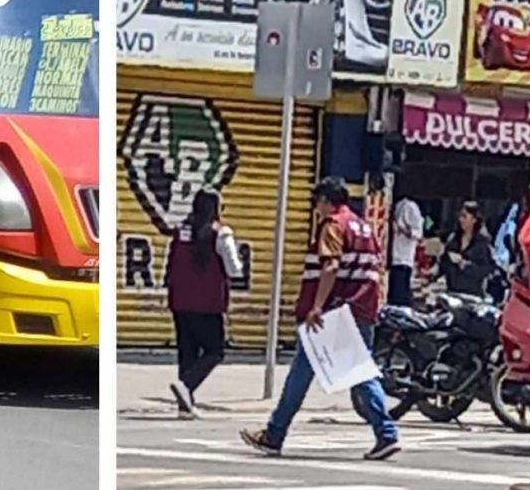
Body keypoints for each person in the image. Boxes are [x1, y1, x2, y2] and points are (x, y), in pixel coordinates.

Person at [240, 176, 400, 461]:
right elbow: (377, 270)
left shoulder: (334, 225)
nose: (316, 209)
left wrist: (316, 306)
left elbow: (330, 267)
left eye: (317, 202)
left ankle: (385, 433)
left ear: (326, 201)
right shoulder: (365, 227)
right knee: (311, 372)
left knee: (350, 374)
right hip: (361, 310)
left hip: (334, 314)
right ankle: (275, 433)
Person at [166, 189, 242, 420]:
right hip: (208, 304)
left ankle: (185, 407)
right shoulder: (221, 234)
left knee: (187, 351)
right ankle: (186, 386)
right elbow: (234, 269)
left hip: (179, 300)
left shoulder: (181, 231)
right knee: (215, 351)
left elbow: (171, 264)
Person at [439, 201, 495, 297]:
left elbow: (487, 269)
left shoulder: (482, 243)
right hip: (452, 292)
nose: (461, 220)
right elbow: (443, 262)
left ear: (474, 219)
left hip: (472, 294)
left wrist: (465, 265)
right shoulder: (453, 239)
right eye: (460, 216)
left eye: (465, 216)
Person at [388, 193, 422, 307]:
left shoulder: (410, 207)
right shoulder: (396, 206)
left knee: (399, 296)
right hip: (393, 258)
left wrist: (403, 230)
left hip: (403, 259)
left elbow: (417, 233)